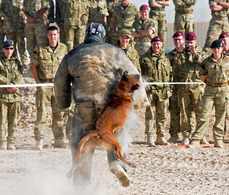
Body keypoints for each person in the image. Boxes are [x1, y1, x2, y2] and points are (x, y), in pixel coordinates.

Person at [54, 22, 143, 187]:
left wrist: (63, 104)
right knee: (116, 133)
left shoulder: (72, 55)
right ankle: (116, 162)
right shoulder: (115, 52)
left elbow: (60, 82)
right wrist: (136, 101)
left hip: (84, 109)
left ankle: (81, 183)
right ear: (102, 35)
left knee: (81, 143)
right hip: (109, 108)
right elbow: (135, 75)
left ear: (86, 35)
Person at [31, 24, 68, 150]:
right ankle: (39, 140)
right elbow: (33, 66)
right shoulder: (40, 48)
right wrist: (38, 83)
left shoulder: (63, 48)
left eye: (55, 35)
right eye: (50, 35)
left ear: (58, 35)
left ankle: (58, 139)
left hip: (58, 85)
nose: (53, 37)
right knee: (42, 114)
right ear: (47, 35)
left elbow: (66, 66)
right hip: (44, 84)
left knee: (58, 114)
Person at [195, 39, 229, 148]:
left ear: (222, 49)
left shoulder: (228, 60)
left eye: (219, 48)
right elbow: (202, 74)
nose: (217, 50)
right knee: (204, 114)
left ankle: (218, 139)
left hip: (223, 89)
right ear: (212, 49)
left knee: (221, 116)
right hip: (210, 89)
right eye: (214, 48)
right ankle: (196, 139)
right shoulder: (207, 61)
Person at [172, 32, 207, 146]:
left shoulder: (201, 52)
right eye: (187, 43)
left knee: (200, 113)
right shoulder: (181, 53)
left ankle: (201, 135)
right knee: (185, 113)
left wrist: (195, 53)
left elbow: (204, 65)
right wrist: (179, 52)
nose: (189, 45)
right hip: (184, 87)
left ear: (195, 42)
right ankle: (186, 136)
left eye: (191, 43)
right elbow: (174, 65)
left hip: (197, 87)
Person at [140, 36, 172, 146]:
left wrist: (170, 89)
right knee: (150, 115)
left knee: (162, 115)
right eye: (154, 44)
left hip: (163, 92)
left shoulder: (166, 58)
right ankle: (150, 137)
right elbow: (140, 76)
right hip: (150, 91)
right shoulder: (144, 58)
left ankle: (161, 137)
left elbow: (171, 75)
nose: (156, 46)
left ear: (162, 44)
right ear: (151, 45)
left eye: (158, 44)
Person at [0, 40, 22, 150]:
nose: (9, 51)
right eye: (7, 48)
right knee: (2, 121)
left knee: (14, 121)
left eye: (11, 48)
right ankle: (2, 142)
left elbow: (20, 74)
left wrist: (15, 85)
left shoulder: (17, 62)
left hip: (14, 95)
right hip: (2, 96)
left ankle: (11, 142)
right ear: (3, 49)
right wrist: (8, 85)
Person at [167, 31, 184, 143]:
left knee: (188, 112)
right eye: (175, 40)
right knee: (174, 112)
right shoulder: (169, 55)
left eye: (179, 40)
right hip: (174, 87)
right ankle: (174, 135)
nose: (177, 42)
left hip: (187, 87)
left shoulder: (188, 53)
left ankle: (190, 134)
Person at [0, 0, 29, 66]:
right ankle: (15, 63)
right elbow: (1, 10)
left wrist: (25, 16)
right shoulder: (4, 1)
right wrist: (3, 16)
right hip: (9, 27)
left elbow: (27, 8)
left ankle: (24, 63)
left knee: (21, 44)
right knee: (11, 46)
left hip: (19, 26)